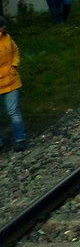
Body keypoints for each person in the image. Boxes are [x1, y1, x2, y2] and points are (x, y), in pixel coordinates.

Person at [0, 17, 26, 152]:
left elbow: (15, 51)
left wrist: (14, 66)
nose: (5, 28)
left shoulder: (7, 38)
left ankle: (20, 139)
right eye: (3, 26)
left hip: (11, 80)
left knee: (13, 111)